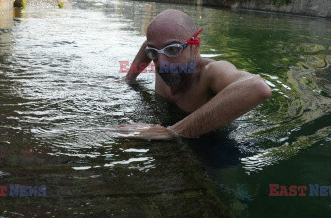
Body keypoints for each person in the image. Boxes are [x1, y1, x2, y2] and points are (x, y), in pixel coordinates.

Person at [114, 9, 271, 140]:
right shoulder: (161, 55)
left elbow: (257, 87)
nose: (161, 63)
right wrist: (128, 79)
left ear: (195, 46)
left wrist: (171, 132)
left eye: (173, 49)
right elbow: (149, 44)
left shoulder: (211, 73)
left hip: (212, 142)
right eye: (154, 52)